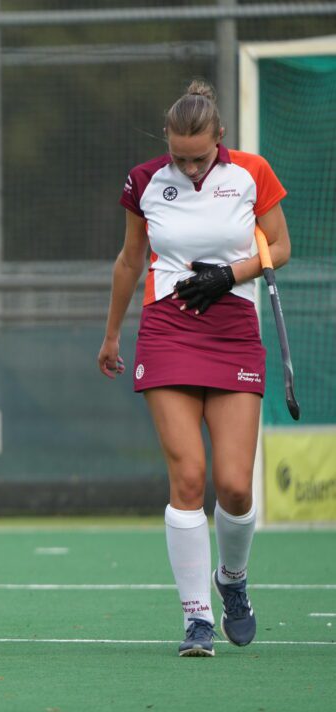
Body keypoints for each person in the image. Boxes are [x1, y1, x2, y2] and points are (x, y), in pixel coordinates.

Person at [98, 80, 291, 657]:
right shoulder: (145, 180)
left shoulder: (252, 172)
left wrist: (228, 276)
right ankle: (196, 619)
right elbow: (132, 258)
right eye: (178, 156)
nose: (186, 165)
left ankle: (231, 580)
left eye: (198, 157)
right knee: (188, 478)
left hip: (232, 326)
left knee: (234, 486)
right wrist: (111, 334)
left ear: (220, 139)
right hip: (168, 326)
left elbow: (278, 247)